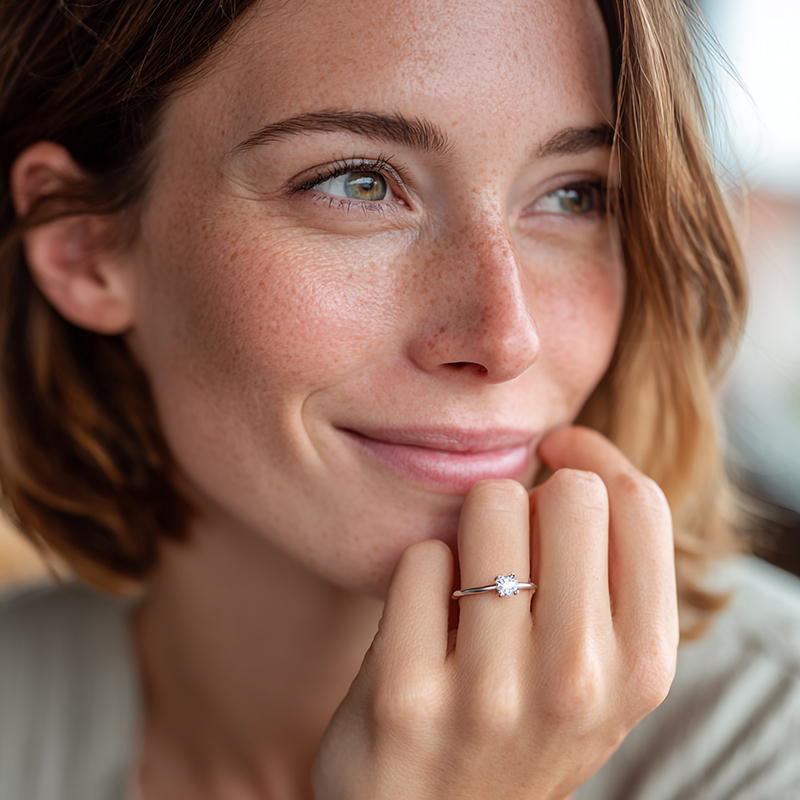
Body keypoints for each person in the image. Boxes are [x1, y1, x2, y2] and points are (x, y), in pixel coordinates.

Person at [0, 0, 798, 798]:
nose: (505, 336)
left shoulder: (771, 740)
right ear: (86, 250)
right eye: (360, 183)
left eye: (573, 195)